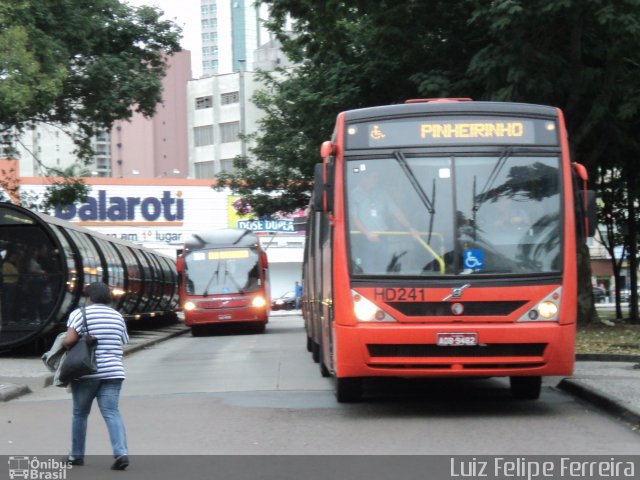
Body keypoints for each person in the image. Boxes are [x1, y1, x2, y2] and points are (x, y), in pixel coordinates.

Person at [62, 282, 130, 470]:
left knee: (80, 414)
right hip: (114, 372)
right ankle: (121, 453)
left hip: (86, 373)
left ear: (89, 297)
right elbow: (123, 341)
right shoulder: (118, 316)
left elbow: (69, 341)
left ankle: (76, 456)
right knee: (111, 412)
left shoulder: (80, 314)